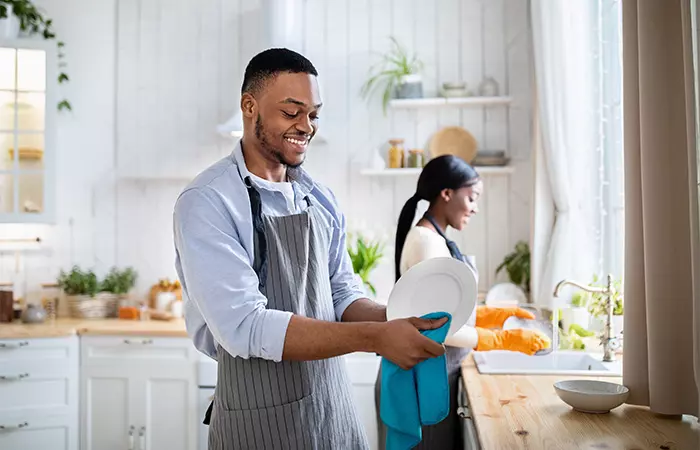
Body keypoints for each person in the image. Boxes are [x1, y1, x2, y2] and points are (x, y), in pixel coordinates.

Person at [173, 48, 448, 450]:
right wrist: (377, 337)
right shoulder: (208, 201)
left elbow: (340, 292)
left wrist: (398, 317)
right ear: (250, 107)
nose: (306, 126)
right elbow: (244, 326)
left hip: (332, 413)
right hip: (259, 420)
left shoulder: (318, 197)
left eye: (314, 114)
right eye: (291, 112)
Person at [374, 155, 550, 450]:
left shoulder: (435, 239)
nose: (475, 207)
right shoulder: (426, 242)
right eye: (472, 198)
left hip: (432, 378)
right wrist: (499, 338)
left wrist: (490, 315)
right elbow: (436, 324)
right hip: (419, 384)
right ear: (446, 194)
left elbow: (445, 311)